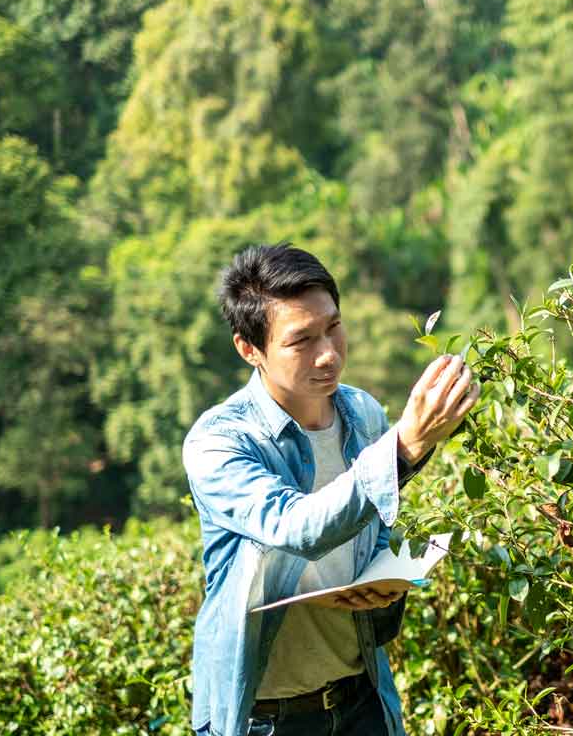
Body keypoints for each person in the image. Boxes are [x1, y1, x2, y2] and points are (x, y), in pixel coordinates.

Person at [183, 244, 478, 736]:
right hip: (264, 718)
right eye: (301, 341)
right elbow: (295, 527)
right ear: (249, 349)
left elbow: (374, 526)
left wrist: (383, 578)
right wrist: (404, 447)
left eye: (334, 327)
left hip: (359, 697)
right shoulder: (219, 441)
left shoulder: (361, 413)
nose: (328, 354)